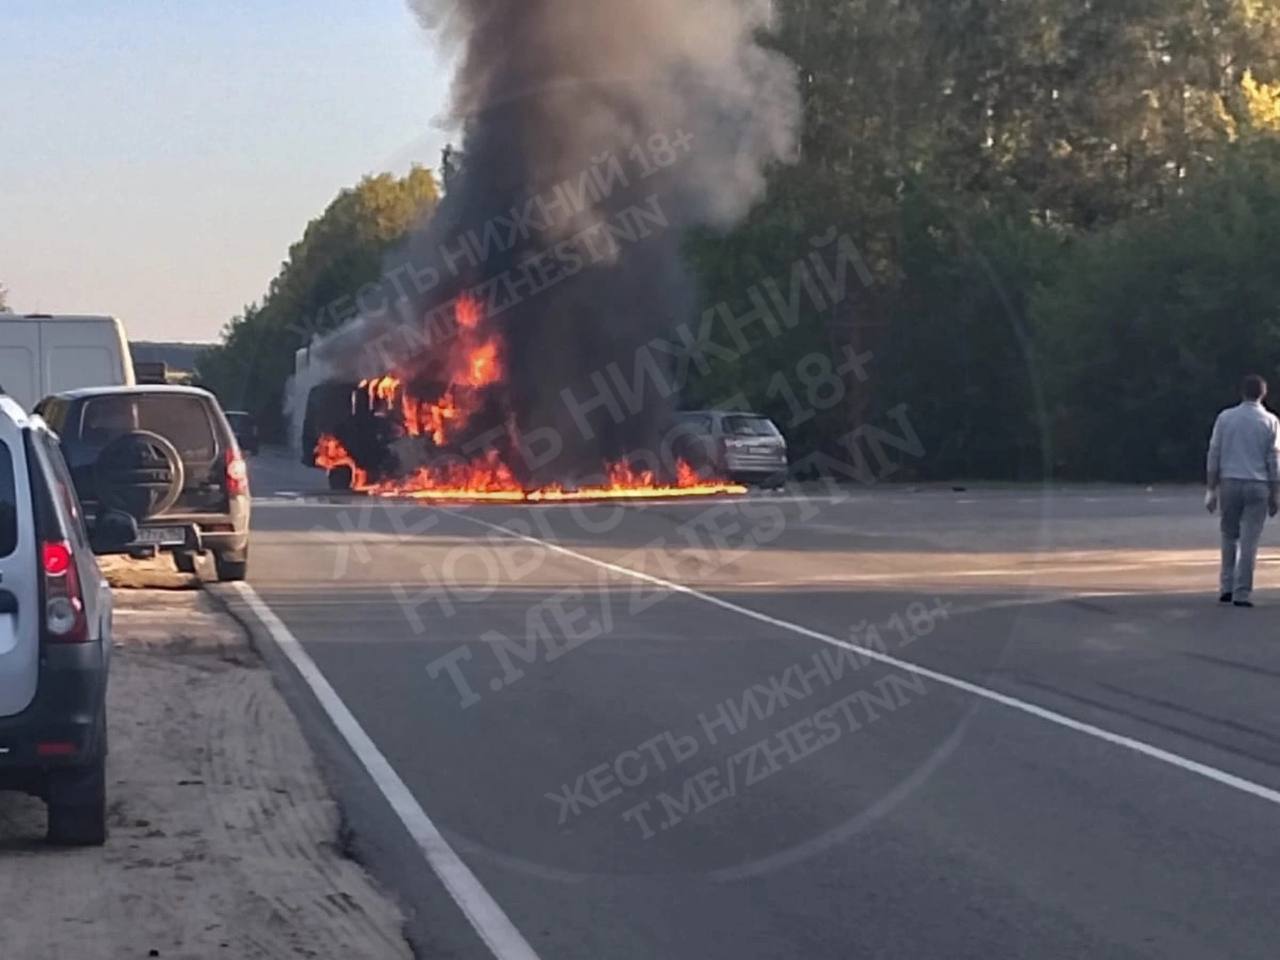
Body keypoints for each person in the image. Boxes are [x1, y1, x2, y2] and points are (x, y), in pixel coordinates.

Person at [1206, 374, 1280, 607]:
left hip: (1230, 481)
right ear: (1263, 394)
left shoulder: (1226, 418)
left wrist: (1211, 488)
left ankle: (1226, 586)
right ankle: (1242, 592)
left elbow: (1214, 452)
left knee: (1229, 535)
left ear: (1242, 392)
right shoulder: (1270, 421)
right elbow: (1274, 459)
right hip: (1257, 484)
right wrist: (1275, 492)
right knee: (1249, 540)